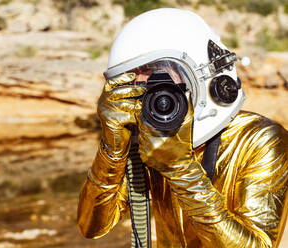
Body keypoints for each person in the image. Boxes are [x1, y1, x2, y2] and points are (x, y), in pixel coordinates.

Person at [77, 8, 288, 248]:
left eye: (160, 77)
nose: (152, 93)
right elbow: (91, 227)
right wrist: (111, 150)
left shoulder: (260, 139)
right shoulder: (146, 142)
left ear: (202, 75)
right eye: (135, 82)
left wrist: (180, 169)